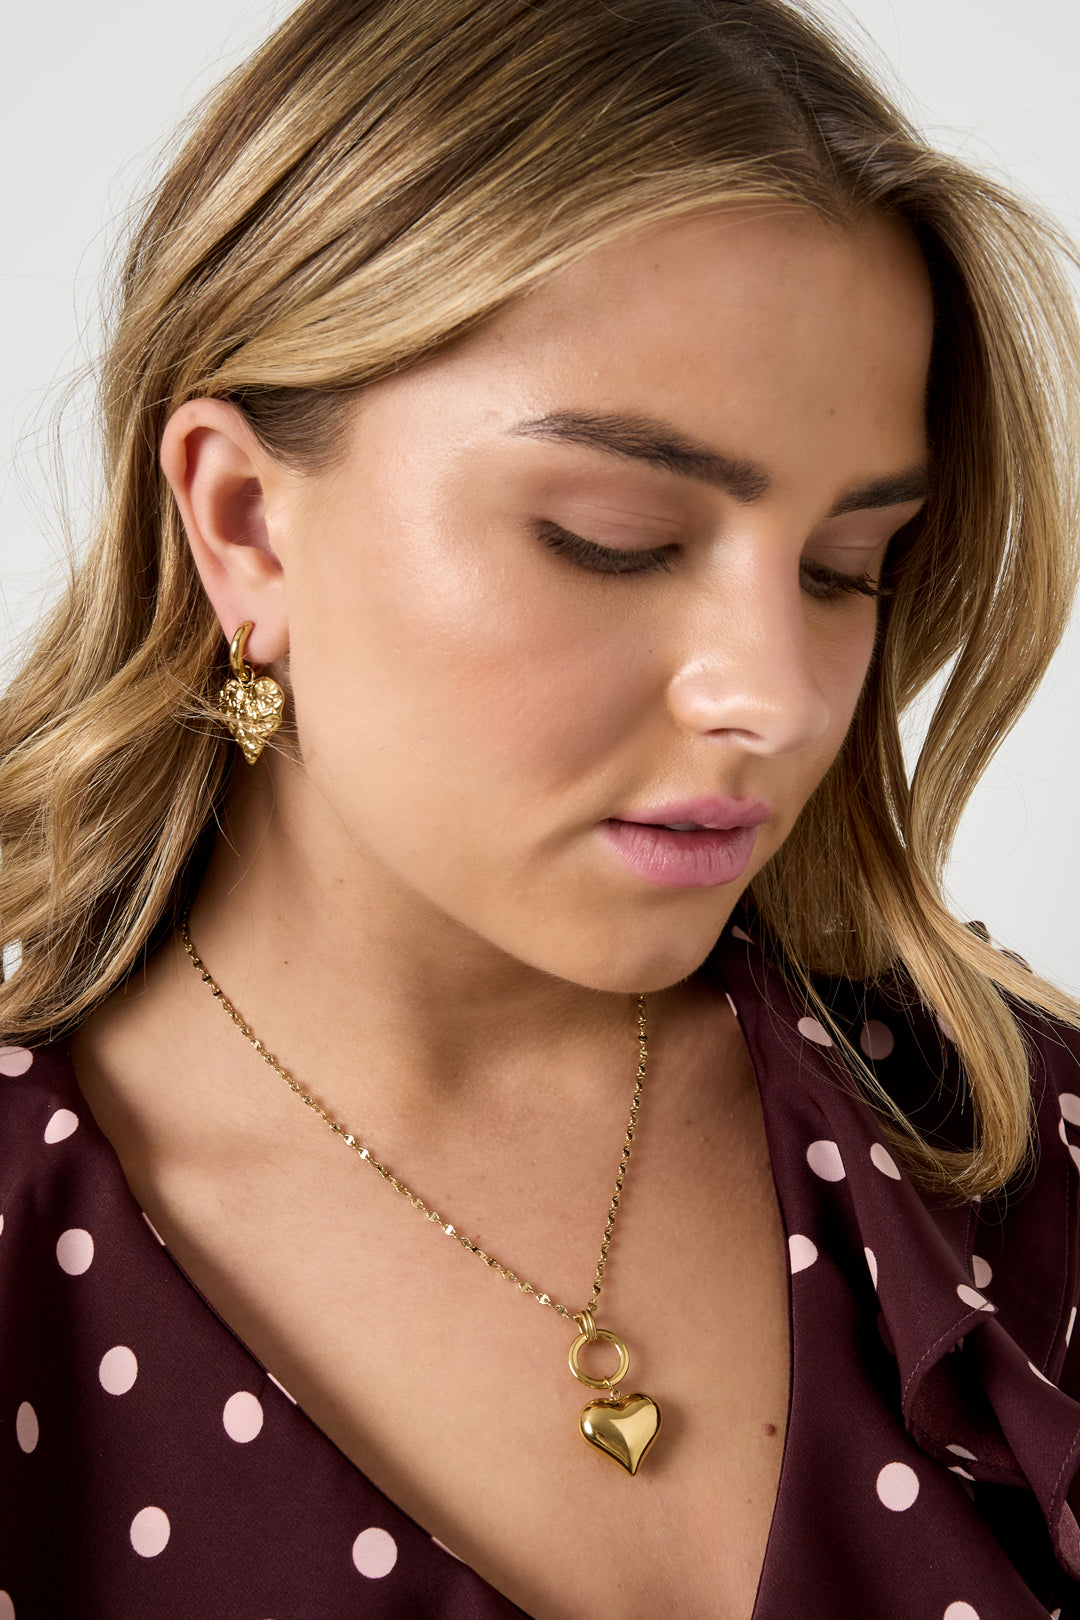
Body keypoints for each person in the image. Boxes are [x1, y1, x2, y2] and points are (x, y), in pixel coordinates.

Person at [1, 0, 1079, 1614]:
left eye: (843, 567)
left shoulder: (1001, 1135)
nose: (778, 697)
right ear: (245, 526)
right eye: (614, 538)